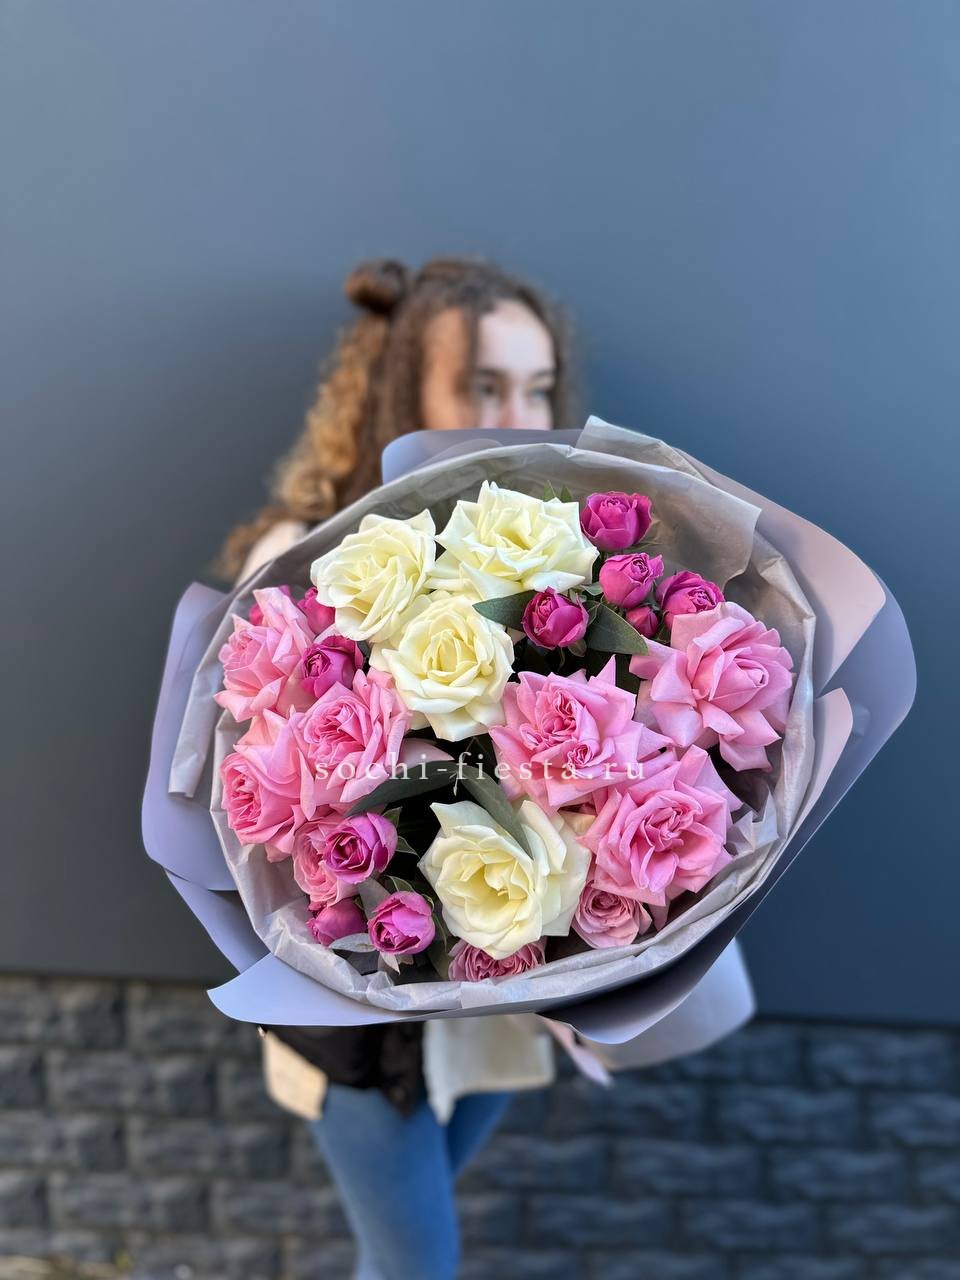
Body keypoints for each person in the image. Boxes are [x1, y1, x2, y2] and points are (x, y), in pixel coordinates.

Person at [217, 255, 578, 1280]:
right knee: (416, 1263)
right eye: (482, 385)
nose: (514, 415)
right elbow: (247, 808)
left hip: (497, 993)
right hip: (354, 1018)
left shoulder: (558, 564)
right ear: (404, 387)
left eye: (536, 388)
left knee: (402, 1255)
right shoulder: (303, 557)